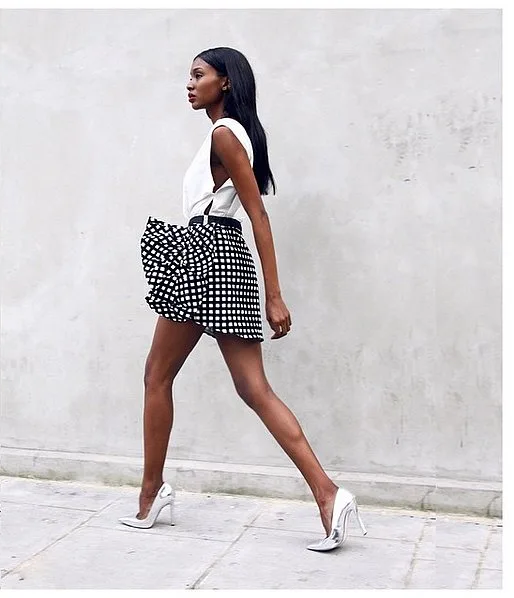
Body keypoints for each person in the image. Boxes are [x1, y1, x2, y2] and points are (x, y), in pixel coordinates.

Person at [118, 47, 367, 551]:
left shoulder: (224, 135)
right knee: (254, 389)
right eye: (189, 76)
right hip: (220, 255)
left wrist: (276, 296)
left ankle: (151, 492)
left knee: (156, 376)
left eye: (198, 75)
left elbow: (259, 215)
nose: (189, 84)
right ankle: (328, 494)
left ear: (225, 82)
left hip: (204, 255)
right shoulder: (233, 134)